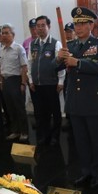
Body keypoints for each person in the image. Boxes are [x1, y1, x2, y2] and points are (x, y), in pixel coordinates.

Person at [56, 7, 98, 189]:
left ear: (91, 25)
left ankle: (97, 173)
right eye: (76, 24)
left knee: (96, 139)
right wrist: (58, 59)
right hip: (75, 101)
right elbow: (55, 68)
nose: (77, 27)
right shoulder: (70, 45)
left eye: (82, 23)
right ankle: (85, 171)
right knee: (80, 140)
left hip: (93, 100)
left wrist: (77, 62)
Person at [27, 15, 65, 146]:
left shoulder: (55, 43)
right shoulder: (33, 44)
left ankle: (55, 137)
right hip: (37, 85)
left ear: (49, 27)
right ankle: (44, 136)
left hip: (51, 84)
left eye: (43, 25)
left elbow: (61, 64)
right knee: (41, 113)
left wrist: (60, 82)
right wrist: (30, 80)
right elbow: (30, 63)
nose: (40, 28)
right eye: (38, 26)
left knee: (54, 112)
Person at [0, 23, 29, 142]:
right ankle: (15, 131)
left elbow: (24, 67)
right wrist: (0, 81)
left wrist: (23, 83)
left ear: (13, 35)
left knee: (19, 108)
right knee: (9, 108)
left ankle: (24, 132)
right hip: (6, 82)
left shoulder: (18, 48)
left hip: (16, 81)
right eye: (2, 33)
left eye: (7, 33)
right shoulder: (2, 50)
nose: (4, 35)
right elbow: (0, 67)